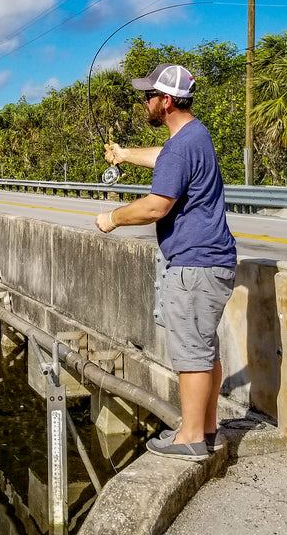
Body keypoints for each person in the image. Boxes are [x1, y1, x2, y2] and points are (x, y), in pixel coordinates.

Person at [94, 63, 237, 462]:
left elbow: (157, 207)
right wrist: (123, 154)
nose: (145, 101)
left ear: (167, 101)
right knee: (206, 350)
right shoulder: (195, 135)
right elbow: (163, 156)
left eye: (149, 96)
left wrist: (113, 218)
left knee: (191, 352)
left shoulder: (181, 145)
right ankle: (206, 429)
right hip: (214, 261)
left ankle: (190, 438)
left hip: (193, 265)